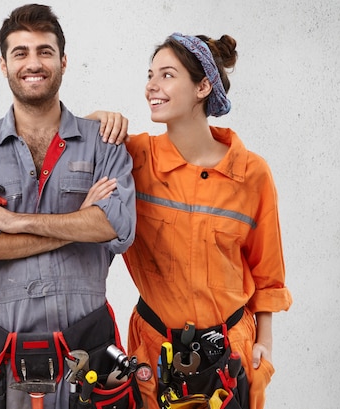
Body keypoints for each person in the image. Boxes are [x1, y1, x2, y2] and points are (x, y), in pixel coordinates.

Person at [0, 4, 136, 409]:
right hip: (2, 350)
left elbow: (115, 225)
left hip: (87, 344)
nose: (33, 63)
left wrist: (10, 221)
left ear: (63, 61)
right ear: (3, 64)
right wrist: (76, 223)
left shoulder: (104, 141)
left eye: (44, 51)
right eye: (21, 52)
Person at [97, 33, 292, 408]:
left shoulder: (252, 174)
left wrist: (264, 347)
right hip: (154, 353)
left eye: (167, 75)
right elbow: (74, 137)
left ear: (203, 86)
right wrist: (99, 119)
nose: (151, 86)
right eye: (150, 75)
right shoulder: (135, 158)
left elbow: (268, 276)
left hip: (231, 357)